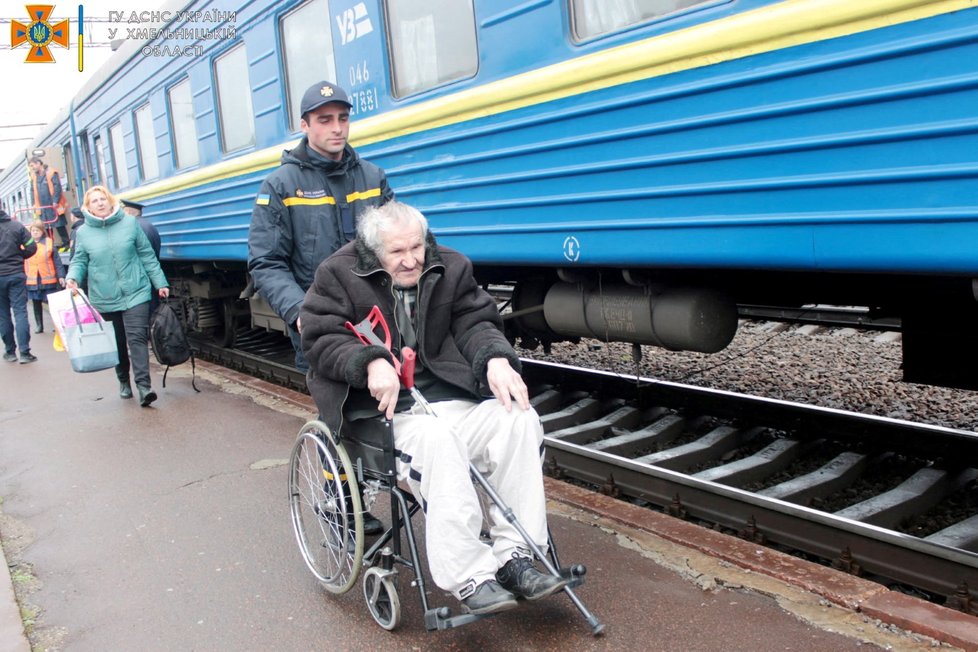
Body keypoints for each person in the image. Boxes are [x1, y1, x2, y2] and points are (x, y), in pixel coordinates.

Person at [300, 201, 570, 616]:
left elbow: (476, 322)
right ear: (373, 251)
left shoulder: (451, 267)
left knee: (519, 419)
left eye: (417, 247)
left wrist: (495, 358)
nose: (410, 260)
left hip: (452, 399)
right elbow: (319, 340)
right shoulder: (336, 274)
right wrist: (369, 360)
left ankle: (517, 557)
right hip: (384, 415)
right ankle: (471, 577)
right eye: (397, 252)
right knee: (438, 441)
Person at [248, 80, 394, 373]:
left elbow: (396, 240)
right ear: (305, 126)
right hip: (320, 320)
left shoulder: (372, 177)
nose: (337, 128)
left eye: (343, 118)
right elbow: (266, 261)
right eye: (325, 120)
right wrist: (301, 312)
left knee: (385, 402)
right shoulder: (280, 185)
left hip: (375, 315)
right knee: (332, 409)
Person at [66, 186, 170, 406]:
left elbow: (147, 256)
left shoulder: (130, 224)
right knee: (118, 342)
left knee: (137, 339)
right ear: (88, 207)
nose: (100, 203)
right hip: (104, 295)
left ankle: (144, 387)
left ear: (111, 201)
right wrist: (72, 277)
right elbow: (79, 260)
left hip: (136, 291)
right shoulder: (84, 232)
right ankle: (123, 381)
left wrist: (160, 282)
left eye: (103, 198)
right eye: (95, 201)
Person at [0, 204, 38, 363]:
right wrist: (19, 256)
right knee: (20, 312)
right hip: (16, 274)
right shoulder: (16, 226)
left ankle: (10, 352)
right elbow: (32, 246)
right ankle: (24, 352)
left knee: (3, 315)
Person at [24, 220, 66, 333]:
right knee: (36, 303)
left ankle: (56, 325)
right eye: (33, 231)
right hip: (33, 279)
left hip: (48, 279)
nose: (35, 233)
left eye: (37, 230)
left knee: (52, 303)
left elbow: (57, 261)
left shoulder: (48, 242)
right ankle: (39, 325)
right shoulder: (25, 244)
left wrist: (61, 276)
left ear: (42, 231)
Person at [28, 157, 69, 249]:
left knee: (59, 224)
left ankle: (66, 243)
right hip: (42, 206)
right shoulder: (33, 176)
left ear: (38, 163)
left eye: (32, 165)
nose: (32, 168)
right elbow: (32, 190)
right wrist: (34, 203)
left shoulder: (51, 172)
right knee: (46, 226)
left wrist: (55, 201)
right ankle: (49, 245)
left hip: (53, 204)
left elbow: (57, 187)